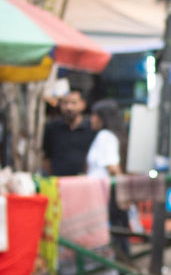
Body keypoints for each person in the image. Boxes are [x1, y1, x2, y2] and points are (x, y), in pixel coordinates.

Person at [88, 100, 132, 257]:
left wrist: (123, 192)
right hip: (107, 192)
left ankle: (120, 264)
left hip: (105, 193)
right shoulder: (110, 136)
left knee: (115, 231)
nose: (91, 119)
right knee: (118, 230)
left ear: (102, 118)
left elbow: (112, 166)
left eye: (94, 115)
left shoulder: (105, 136)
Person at [43, 88, 95, 177]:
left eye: (73, 103)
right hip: (58, 180)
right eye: (65, 103)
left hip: (85, 180)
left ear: (83, 104)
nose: (69, 107)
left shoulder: (91, 128)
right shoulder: (52, 127)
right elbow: (46, 157)